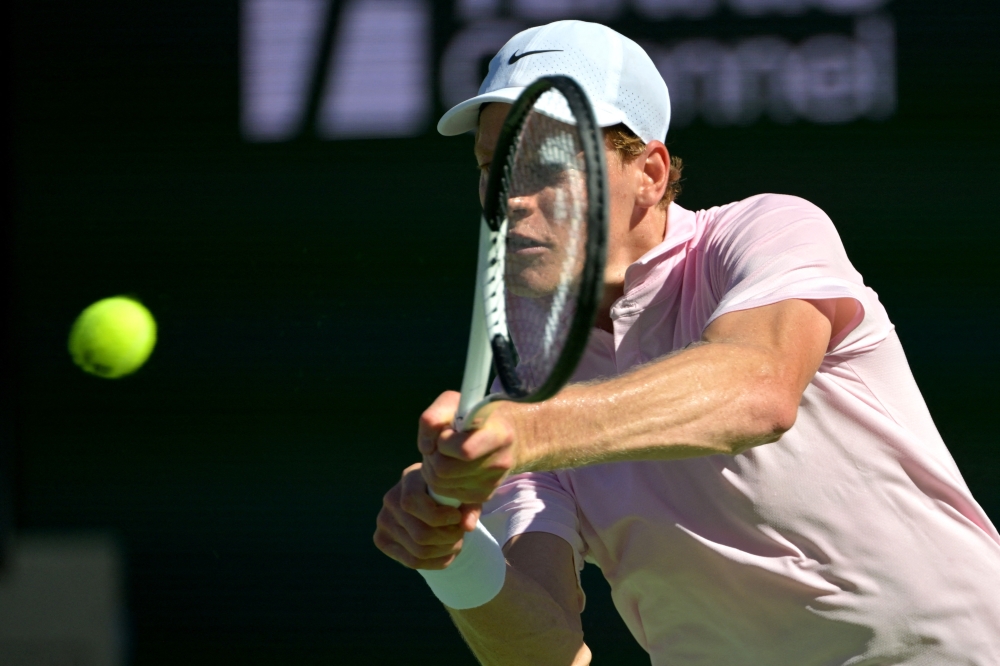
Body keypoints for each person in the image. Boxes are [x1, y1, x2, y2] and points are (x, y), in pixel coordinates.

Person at [373, 20, 1000, 665]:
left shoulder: (765, 231)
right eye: (491, 166)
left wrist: (529, 432)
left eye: (544, 164)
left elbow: (758, 389)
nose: (510, 197)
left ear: (649, 172)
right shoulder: (522, 394)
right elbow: (548, 651)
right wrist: (451, 559)